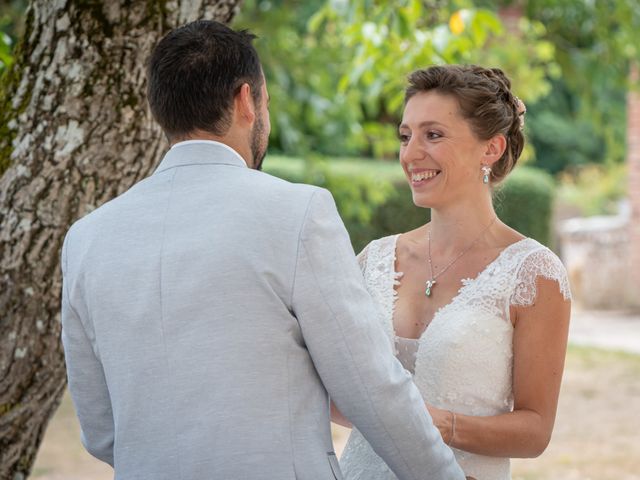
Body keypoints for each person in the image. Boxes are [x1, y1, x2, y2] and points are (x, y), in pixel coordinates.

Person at [60, 20, 467, 480]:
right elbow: (372, 387)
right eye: (266, 103)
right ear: (245, 101)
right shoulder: (297, 212)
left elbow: (99, 429)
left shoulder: (87, 238)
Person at [337, 65, 572, 480]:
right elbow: (338, 395)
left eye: (434, 135)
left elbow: (535, 430)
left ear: (491, 149)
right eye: (406, 136)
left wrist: (437, 424)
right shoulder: (372, 260)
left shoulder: (534, 274)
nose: (410, 155)